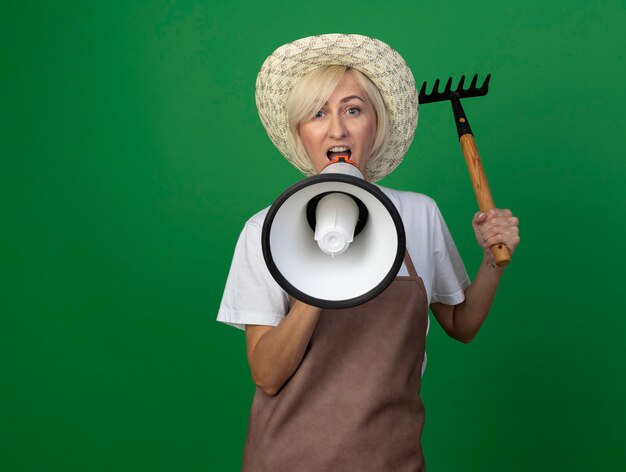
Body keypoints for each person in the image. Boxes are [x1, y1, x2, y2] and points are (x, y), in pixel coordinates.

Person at [218, 34, 520, 472]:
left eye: (352, 110)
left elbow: (461, 324)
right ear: (300, 132)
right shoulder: (265, 231)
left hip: (390, 460)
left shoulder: (419, 214)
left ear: (374, 124)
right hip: (286, 460)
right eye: (318, 113)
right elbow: (267, 375)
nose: (336, 128)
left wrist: (493, 262)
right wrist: (316, 277)